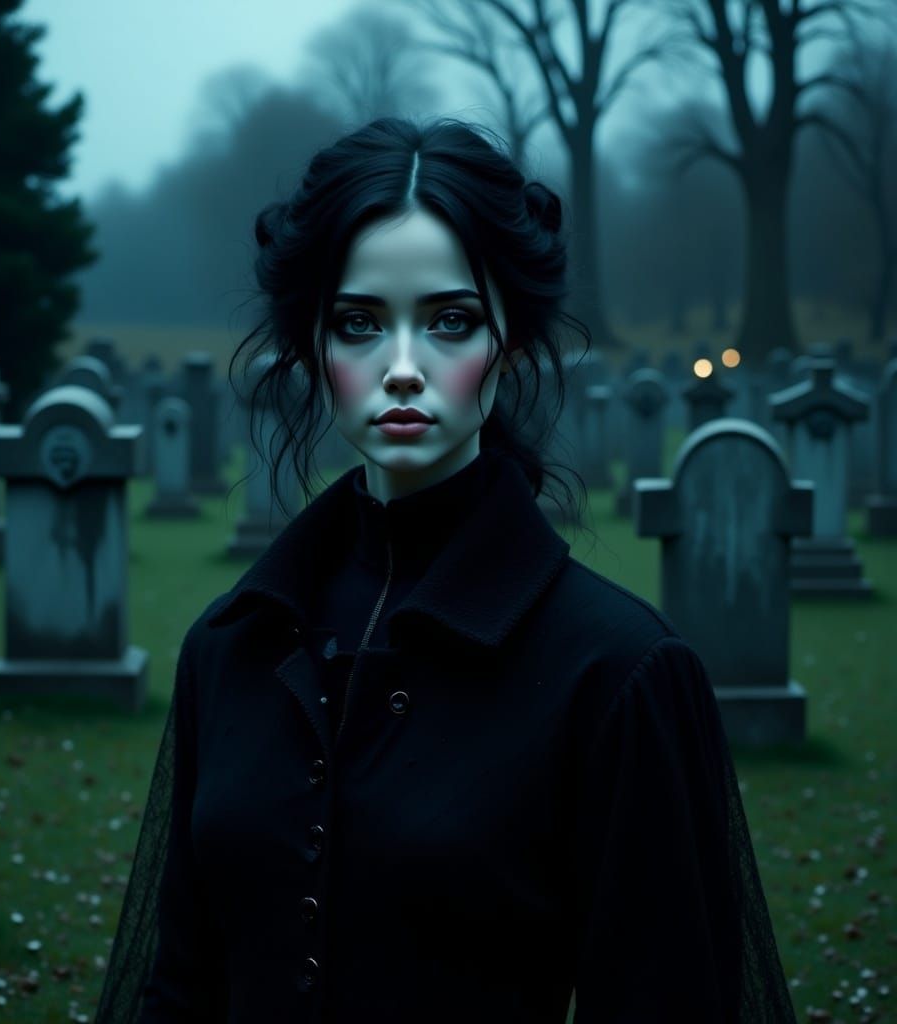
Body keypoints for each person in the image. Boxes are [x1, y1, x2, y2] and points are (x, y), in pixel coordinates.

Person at [93, 117, 798, 1024]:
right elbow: (176, 989)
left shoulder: (619, 674)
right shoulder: (231, 647)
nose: (400, 369)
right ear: (313, 347)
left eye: (449, 321)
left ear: (508, 341)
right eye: (358, 323)